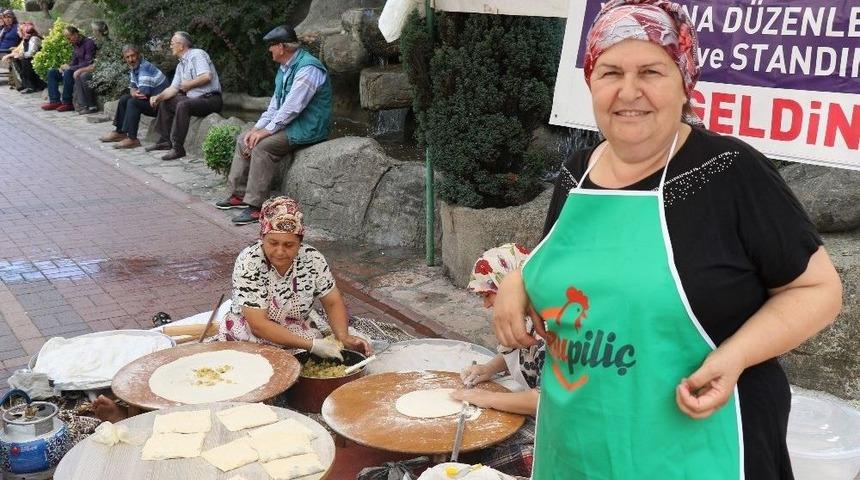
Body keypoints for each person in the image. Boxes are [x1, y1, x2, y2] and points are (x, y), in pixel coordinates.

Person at [491, 1, 843, 479]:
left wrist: (734, 356)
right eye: (610, 71)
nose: (628, 91)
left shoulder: (728, 171)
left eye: (652, 71)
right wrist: (519, 281)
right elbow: (568, 262)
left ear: (684, 84)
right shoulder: (578, 172)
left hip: (700, 447)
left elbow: (818, 290)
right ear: (591, 81)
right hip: (579, 445)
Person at [216, 196, 371, 357]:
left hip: (294, 326)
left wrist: (343, 337)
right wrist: (311, 345)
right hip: (251, 332)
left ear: (300, 242)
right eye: (273, 243)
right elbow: (258, 324)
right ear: (262, 238)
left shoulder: (312, 258)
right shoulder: (249, 262)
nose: (280, 251)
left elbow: (332, 302)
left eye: (289, 245)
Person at [215, 24, 332, 226]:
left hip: (307, 126)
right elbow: (275, 106)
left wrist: (266, 132)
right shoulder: (284, 69)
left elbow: (292, 107)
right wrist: (256, 129)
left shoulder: (308, 68)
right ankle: (238, 195)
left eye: (271, 46)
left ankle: (255, 205)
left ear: (281, 47)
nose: (269, 50)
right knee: (245, 139)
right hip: (290, 123)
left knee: (262, 146)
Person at [453, 244, 544, 478]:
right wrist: (487, 369)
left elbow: (544, 400)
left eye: (487, 294)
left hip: (560, 427)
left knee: (490, 455)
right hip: (539, 417)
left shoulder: (549, 325)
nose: (486, 304)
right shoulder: (526, 319)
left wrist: (484, 398)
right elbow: (520, 352)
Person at [147, 31, 222, 161]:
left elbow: (206, 76)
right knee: (166, 101)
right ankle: (165, 141)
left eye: (172, 43)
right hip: (194, 100)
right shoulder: (181, 65)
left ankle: (178, 148)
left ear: (181, 46)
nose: (170, 46)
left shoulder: (197, 54)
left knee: (183, 105)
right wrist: (157, 97)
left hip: (211, 99)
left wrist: (189, 85)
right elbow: (173, 89)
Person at [99, 45, 168, 149]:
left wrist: (134, 93)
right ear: (124, 58)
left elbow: (143, 93)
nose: (131, 59)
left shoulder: (144, 67)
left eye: (133, 56)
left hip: (162, 105)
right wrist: (133, 93)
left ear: (138, 55)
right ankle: (120, 132)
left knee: (133, 103)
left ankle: (132, 139)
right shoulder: (134, 68)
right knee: (124, 99)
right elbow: (133, 88)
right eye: (127, 57)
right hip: (152, 100)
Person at [41, 25, 96, 112]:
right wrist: (65, 66)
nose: (69, 40)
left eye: (69, 38)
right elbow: (74, 61)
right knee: (52, 72)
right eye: (67, 38)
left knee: (68, 72)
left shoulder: (88, 43)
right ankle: (55, 101)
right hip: (74, 69)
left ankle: (67, 102)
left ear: (75, 34)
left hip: (83, 70)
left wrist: (70, 67)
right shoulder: (75, 45)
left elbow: (88, 62)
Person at [72, 20, 109, 114]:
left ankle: (91, 105)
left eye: (93, 30)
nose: (92, 33)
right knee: (79, 74)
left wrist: (81, 69)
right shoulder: (96, 42)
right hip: (98, 69)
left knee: (83, 75)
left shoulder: (106, 44)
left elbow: (99, 64)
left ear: (98, 32)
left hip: (106, 71)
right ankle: (83, 105)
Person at [13, 23, 44, 94]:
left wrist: (21, 55)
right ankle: (26, 84)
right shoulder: (26, 39)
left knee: (25, 61)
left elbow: (31, 53)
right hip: (32, 59)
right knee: (17, 60)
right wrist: (19, 55)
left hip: (38, 60)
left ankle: (32, 86)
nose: (17, 32)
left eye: (19, 31)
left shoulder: (34, 38)